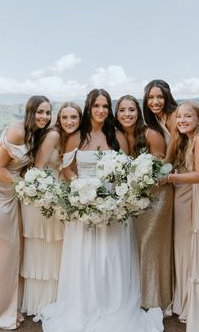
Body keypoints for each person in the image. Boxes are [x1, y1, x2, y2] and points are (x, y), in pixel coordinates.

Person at [39, 89, 164, 332]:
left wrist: (115, 195)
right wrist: (80, 187)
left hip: (113, 207)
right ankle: (85, 305)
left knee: (110, 255)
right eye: (96, 105)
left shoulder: (117, 135)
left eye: (105, 106)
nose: (101, 110)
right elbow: (66, 169)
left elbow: (128, 171)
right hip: (83, 206)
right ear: (89, 107)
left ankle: (113, 303)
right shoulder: (76, 136)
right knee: (85, 257)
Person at [0, 95, 51, 330]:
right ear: (29, 112)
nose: (44, 116)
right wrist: (24, 186)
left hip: (10, 196)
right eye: (40, 112)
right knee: (1, 257)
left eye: (48, 112)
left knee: (11, 255)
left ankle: (7, 307)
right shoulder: (18, 131)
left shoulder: (35, 133)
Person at [160, 100, 199, 332]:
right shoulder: (187, 139)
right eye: (179, 117)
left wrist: (170, 179)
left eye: (188, 116)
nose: (183, 120)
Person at [21, 102, 82, 317]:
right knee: (46, 247)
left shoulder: (71, 137)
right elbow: (38, 168)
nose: (69, 122)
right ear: (59, 119)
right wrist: (48, 195)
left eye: (74, 117)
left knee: (56, 249)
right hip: (42, 199)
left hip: (56, 198)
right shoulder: (55, 135)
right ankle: (42, 303)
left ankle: (55, 300)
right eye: (64, 117)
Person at [134, 81, 176, 312]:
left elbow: (169, 158)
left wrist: (159, 170)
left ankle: (157, 299)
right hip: (153, 186)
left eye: (159, 97)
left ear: (167, 97)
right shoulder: (155, 122)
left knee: (154, 241)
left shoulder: (172, 117)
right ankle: (148, 294)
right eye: (150, 98)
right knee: (148, 242)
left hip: (164, 187)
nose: (155, 102)